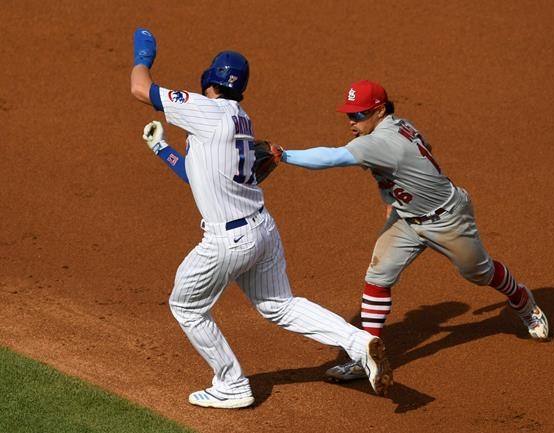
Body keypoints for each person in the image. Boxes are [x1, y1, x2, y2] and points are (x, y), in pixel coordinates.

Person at [129, 28, 392, 408]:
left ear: (209, 81)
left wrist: (144, 56)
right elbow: (193, 174)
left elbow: (141, 89)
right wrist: (161, 148)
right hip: (262, 230)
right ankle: (359, 342)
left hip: (227, 241)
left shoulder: (206, 109)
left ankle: (231, 384)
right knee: (279, 305)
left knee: (186, 306)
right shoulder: (241, 120)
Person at [277, 80, 549, 382]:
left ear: (379, 111)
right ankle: (366, 357)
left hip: (447, 219)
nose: (351, 121)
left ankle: (521, 299)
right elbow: (424, 151)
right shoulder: (398, 124)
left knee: (480, 274)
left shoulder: (379, 143)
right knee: (377, 277)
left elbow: (332, 157)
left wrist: (284, 155)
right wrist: (398, 196)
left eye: (359, 114)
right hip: (407, 219)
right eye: (349, 114)